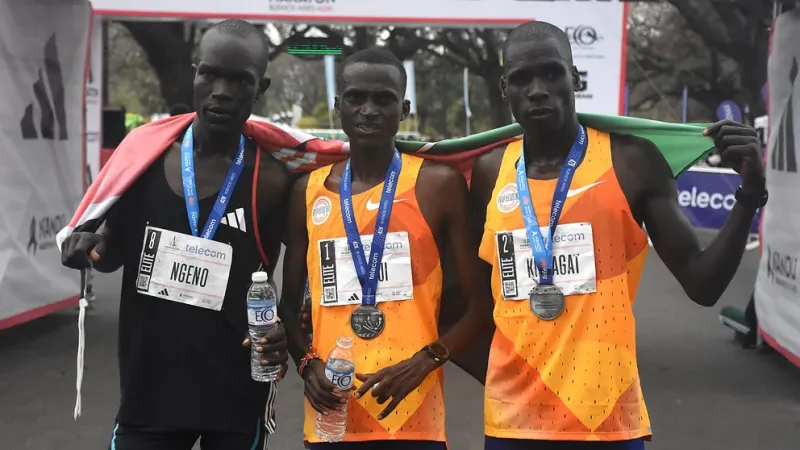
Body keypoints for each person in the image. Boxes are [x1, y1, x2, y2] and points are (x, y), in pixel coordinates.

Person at [466, 21, 767, 449]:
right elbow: (479, 300)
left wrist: (750, 195)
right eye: (521, 78)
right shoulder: (489, 172)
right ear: (504, 88)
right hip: (511, 424)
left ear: (573, 78)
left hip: (606, 422)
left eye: (552, 73)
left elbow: (703, 284)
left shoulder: (630, 161)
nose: (537, 89)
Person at [60, 19, 290, 450]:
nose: (221, 90)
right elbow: (111, 252)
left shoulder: (273, 178)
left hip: (236, 391)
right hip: (150, 390)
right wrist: (89, 246)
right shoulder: (143, 159)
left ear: (261, 88)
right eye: (210, 74)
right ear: (194, 73)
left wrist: (290, 333)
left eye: (240, 80)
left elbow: (309, 263)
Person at [280, 47, 494, 449]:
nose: (369, 110)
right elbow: (288, 307)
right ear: (337, 105)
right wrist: (307, 365)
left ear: (404, 107)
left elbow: (480, 306)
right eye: (356, 98)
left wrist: (428, 359)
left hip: (414, 418)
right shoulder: (307, 193)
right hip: (332, 417)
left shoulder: (437, 186)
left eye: (384, 99)